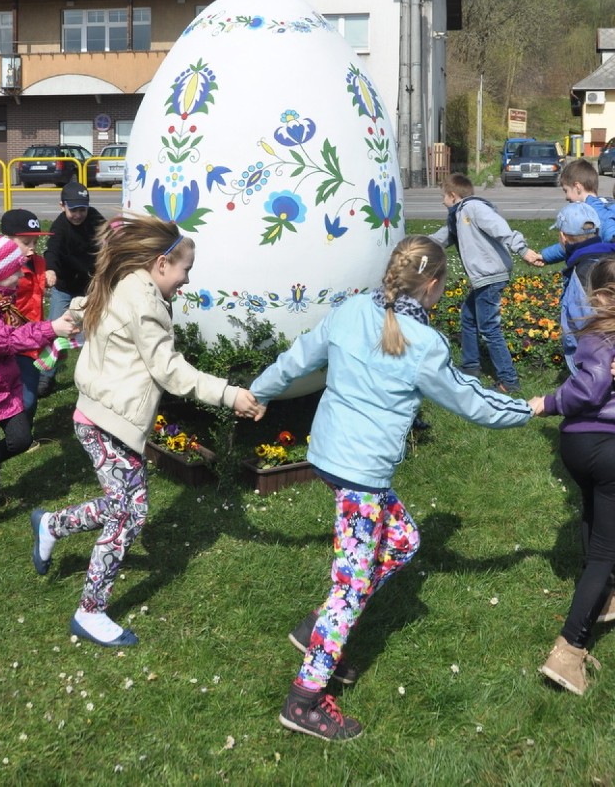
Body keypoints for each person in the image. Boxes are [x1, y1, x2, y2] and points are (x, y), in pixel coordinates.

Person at [249, 234, 535, 741]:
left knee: (403, 541)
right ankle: (304, 700)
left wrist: (258, 392)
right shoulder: (424, 345)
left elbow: (298, 358)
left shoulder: (352, 309)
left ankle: (316, 627)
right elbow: (473, 402)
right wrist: (531, 408)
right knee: (351, 587)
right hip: (360, 476)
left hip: (335, 461)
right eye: (443, 285)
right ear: (431, 285)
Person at [30, 214, 260, 648]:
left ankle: (52, 525)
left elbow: (85, 305)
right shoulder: (146, 300)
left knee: (122, 504)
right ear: (160, 263)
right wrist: (230, 395)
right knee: (130, 513)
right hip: (107, 420)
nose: (187, 280)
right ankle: (90, 611)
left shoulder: (125, 280)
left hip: (100, 415)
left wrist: (74, 318)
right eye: (185, 270)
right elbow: (169, 371)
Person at [530, 256, 615, 696]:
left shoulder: (594, 332)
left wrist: (552, 402)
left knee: (592, 515)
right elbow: (592, 387)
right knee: (606, 552)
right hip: (609, 447)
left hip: (576, 446)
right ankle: (569, 650)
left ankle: (602, 600)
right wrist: (549, 399)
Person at [0, 234, 78, 545]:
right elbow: (4, 339)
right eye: (15, 270)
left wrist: (51, 332)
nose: (21, 274)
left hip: (3, 383)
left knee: (20, 440)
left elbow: (16, 331)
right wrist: (51, 328)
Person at [429, 173, 541, 393]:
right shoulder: (457, 216)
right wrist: (415, 245)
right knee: (468, 317)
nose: (442, 201)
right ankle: (471, 366)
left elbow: (499, 227)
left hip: (491, 275)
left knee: (490, 328)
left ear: (453, 195)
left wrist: (523, 249)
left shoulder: (473, 209)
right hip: (485, 277)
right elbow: (442, 238)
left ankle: (508, 381)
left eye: (443, 196)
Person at [38, 181, 105, 397]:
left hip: (91, 287)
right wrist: (50, 271)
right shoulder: (59, 227)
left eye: (82, 209)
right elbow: (52, 252)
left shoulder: (94, 217)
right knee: (54, 331)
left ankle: (100, 376)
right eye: (73, 210)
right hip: (64, 287)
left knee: (100, 330)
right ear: (62, 206)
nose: (78, 214)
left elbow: (110, 237)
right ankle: (46, 378)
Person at [543, 202, 615, 372]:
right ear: (597, 231)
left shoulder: (580, 274)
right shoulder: (610, 262)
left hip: (593, 370)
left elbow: (582, 327)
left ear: (563, 237)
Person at [0, 208, 52, 428]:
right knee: (1, 395)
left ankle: (23, 434)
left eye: (34, 243)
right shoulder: (0, 270)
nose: (31, 250)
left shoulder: (39, 263)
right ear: (7, 241)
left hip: (32, 341)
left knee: (29, 399)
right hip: (5, 341)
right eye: (25, 243)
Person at [536, 159, 615, 268]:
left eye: (566, 190)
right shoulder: (606, 204)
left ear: (577, 187)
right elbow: (577, 242)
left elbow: (574, 241)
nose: (566, 197)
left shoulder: (593, 213)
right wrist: (545, 256)